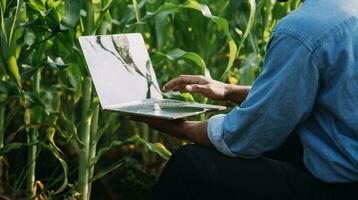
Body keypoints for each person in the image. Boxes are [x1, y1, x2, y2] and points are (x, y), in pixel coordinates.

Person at [129, 0, 358, 199]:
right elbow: (324, 96)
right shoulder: (348, 13)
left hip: (342, 190)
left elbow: (245, 136)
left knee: (190, 165)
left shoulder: (304, 29)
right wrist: (230, 91)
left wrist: (177, 126)